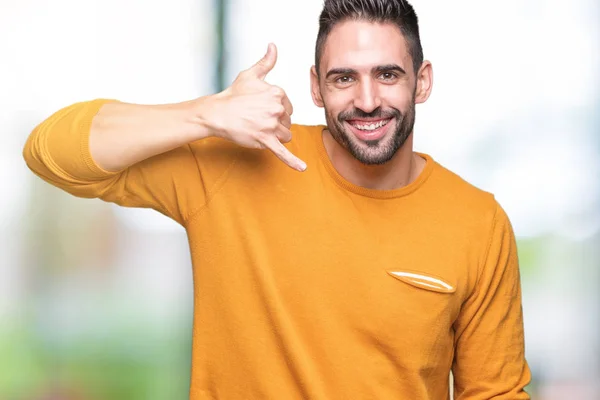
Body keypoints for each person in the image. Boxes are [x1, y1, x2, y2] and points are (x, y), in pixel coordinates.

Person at [22, 0, 532, 398]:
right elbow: (52, 151)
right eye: (343, 78)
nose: (368, 99)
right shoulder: (237, 165)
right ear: (315, 87)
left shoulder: (476, 221)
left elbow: (496, 393)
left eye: (388, 74)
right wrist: (205, 114)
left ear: (421, 82)